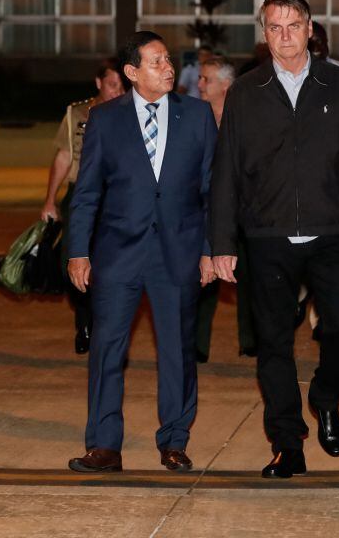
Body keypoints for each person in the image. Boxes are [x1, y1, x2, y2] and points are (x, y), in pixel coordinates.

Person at [210, 0, 339, 479]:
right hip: (266, 237)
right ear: (263, 34)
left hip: (332, 232)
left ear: (310, 29)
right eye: (274, 27)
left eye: (294, 26)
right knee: (272, 344)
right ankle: (288, 443)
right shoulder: (246, 91)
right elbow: (225, 171)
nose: (285, 37)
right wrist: (221, 243)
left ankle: (326, 398)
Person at [65, 31, 217, 474]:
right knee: (107, 349)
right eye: (156, 62)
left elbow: (212, 192)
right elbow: (87, 191)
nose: (168, 68)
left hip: (179, 252)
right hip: (117, 254)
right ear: (132, 72)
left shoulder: (198, 115)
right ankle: (104, 445)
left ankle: (174, 440)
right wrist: (78, 251)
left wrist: (209, 251)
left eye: (168, 60)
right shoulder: (104, 119)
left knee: (177, 350)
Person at [42, 60, 125, 354]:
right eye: (113, 84)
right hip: (80, 194)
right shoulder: (76, 113)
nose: (118, 91)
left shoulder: (129, 112)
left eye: (122, 85)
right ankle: (84, 318)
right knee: (73, 261)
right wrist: (50, 199)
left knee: (110, 265)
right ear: (99, 83)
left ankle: (102, 324)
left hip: (115, 196)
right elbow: (64, 157)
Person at [194, 56, 256, 362]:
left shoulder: (245, 119)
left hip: (243, 212)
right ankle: (197, 343)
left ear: (226, 86)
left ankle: (251, 338)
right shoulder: (193, 119)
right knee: (203, 277)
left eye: (207, 79)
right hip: (203, 211)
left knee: (247, 275)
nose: (200, 84)